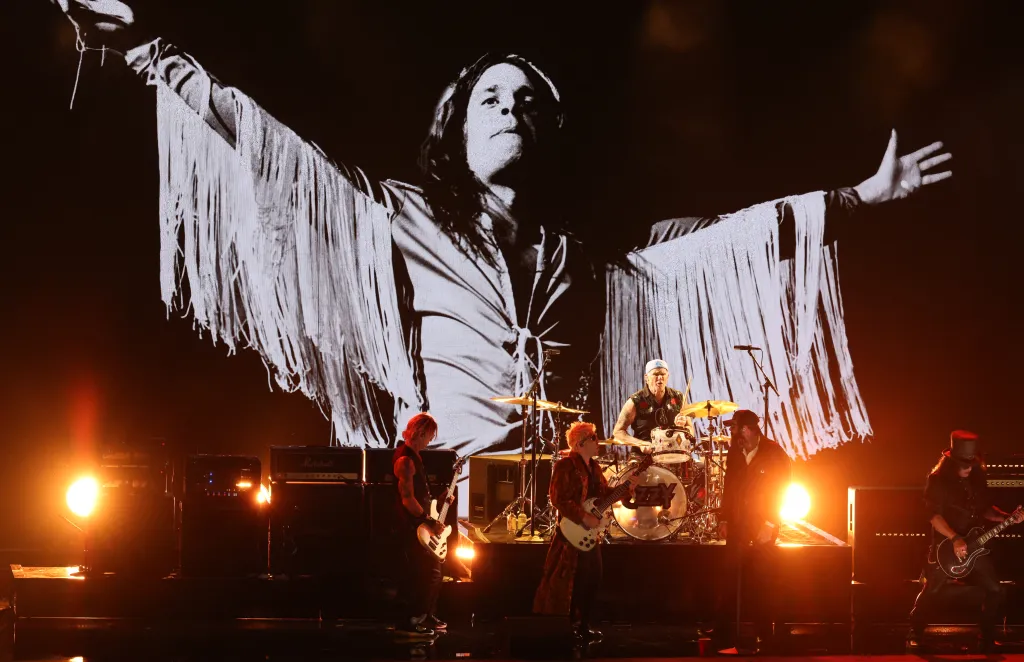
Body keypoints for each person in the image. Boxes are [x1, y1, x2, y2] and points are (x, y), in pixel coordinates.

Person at [45, 1, 952, 464]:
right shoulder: (401, 217)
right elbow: (276, 153)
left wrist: (858, 199)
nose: (509, 109)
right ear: (459, 127)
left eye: (527, 101)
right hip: (448, 503)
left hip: (567, 505)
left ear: (548, 134)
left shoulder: (591, 262)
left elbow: (719, 243)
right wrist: (148, 51)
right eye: (490, 98)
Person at [907, 431, 1017, 653]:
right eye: (963, 464)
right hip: (944, 548)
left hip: (974, 547)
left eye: (971, 463)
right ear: (950, 462)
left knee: (995, 589)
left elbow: (985, 509)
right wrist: (954, 538)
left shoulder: (976, 478)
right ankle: (915, 634)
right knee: (932, 591)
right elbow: (933, 516)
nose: (968, 468)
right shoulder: (937, 480)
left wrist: (1006, 517)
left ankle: (985, 638)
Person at [533, 421, 639, 642]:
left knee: (593, 577)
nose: (598, 441)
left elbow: (604, 495)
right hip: (570, 533)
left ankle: (583, 625)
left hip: (588, 534)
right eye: (593, 438)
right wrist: (584, 517)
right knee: (572, 581)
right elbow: (558, 499)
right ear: (580, 443)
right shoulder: (565, 466)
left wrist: (626, 488)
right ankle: (570, 625)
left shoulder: (594, 468)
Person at [714, 409, 792, 653]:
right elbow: (729, 485)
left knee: (763, 581)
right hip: (739, 524)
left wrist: (770, 523)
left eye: (734, 428)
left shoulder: (774, 453)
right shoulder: (735, 451)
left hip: (763, 526)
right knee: (729, 578)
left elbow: (781, 490)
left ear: (747, 429)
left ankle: (765, 635)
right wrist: (725, 519)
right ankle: (723, 634)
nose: (732, 432)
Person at [393, 412, 448, 638]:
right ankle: (410, 620)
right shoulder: (405, 459)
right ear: (421, 432)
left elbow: (420, 495)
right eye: (429, 436)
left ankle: (425, 615)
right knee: (422, 574)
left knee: (432, 572)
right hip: (412, 527)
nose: (430, 441)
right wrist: (428, 520)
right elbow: (407, 498)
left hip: (421, 525)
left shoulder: (415, 457)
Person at [611, 359, 694, 449]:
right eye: (655, 374)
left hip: (673, 452)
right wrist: (640, 444)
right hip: (643, 455)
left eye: (663, 374)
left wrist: (684, 430)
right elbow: (618, 432)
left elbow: (690, 428)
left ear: (668, 376)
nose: (660, 377)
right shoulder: (635, 401)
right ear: (646, 378)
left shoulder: (679, 398)